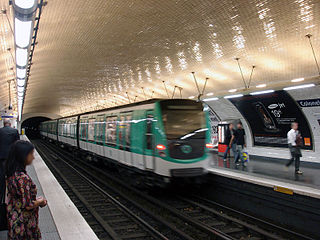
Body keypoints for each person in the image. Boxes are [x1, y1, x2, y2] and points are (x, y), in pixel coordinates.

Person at [5, 140, 47, 239]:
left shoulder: (11, 174)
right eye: (31, 154)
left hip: (14, 220)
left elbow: (18, 198)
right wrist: (40, 202)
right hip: (25, 225)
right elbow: (28, 205)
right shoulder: (22, 178)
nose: (33, 157)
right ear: (23, 156)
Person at [0, 119, 20, 219]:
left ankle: (2, 199)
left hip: (1, 158)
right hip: (11, 159)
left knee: (1, 179)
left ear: (3, 124)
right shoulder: (14, 131)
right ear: (10, 124)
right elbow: (17, 145)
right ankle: (12, 198)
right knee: (11, 176)